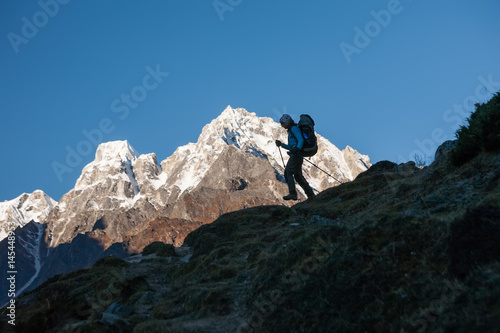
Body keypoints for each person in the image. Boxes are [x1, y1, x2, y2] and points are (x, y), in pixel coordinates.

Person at [275, 114, 316, 201]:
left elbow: (300, 139)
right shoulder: (291, 130)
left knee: (288, 172)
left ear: (287, 122)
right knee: (298, 176)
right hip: (297, 153)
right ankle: (311, 195)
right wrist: (282, 145)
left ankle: (293, 193)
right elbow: (291, 145)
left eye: (282, 123)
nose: (282, 125)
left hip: (296, 154)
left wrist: (297, 149)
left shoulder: (294, 129)